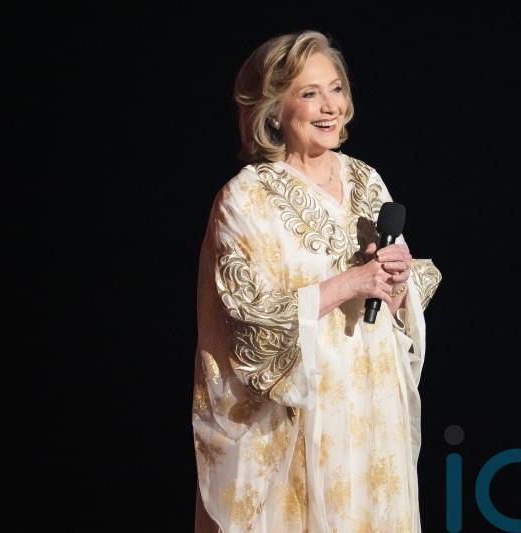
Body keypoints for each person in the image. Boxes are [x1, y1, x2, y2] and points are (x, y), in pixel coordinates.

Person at [192, 30, 441, 532]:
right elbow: (250, 323)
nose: (330, 106)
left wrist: (395, 283)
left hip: (373, 408)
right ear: (273, 107)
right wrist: (350, 283)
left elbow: (392, 312)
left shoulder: (369, 182)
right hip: (303, 419)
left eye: (336, 89)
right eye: (309, 93)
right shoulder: (246, 200)